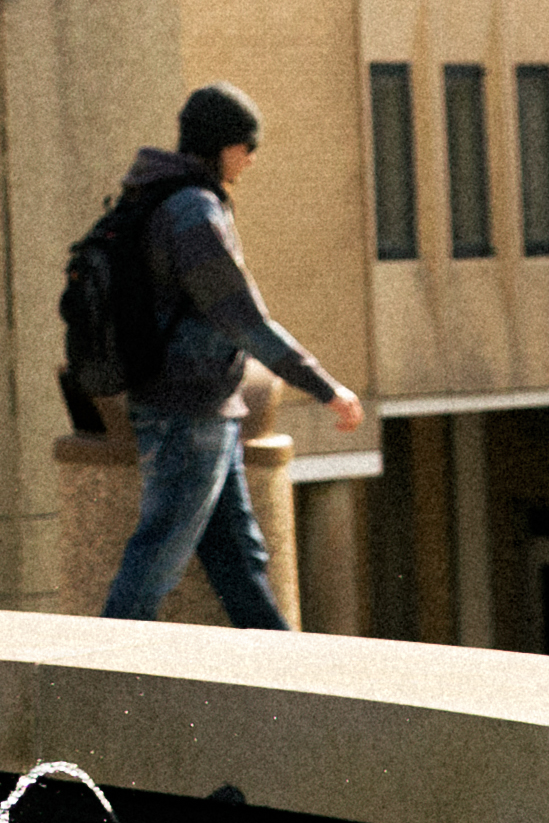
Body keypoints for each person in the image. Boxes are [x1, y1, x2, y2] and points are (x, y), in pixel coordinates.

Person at [98, 83, 364, 628]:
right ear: (221, 146)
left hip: (203, 409)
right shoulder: (193, 210)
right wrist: (325, 388)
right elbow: (243, 319)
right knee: (156, 561)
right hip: (187, 412)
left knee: (238, 561)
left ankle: (283, 682)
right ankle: (89, 687)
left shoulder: (162, 196)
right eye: (247, 144)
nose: (252, 157)